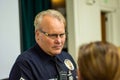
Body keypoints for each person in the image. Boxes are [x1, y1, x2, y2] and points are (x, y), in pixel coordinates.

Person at [9, 9, 77, 80]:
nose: (59, 41)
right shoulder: (25, 64)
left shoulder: (67, 57)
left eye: (62, 35)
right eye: (53, 35)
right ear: (38, 35)